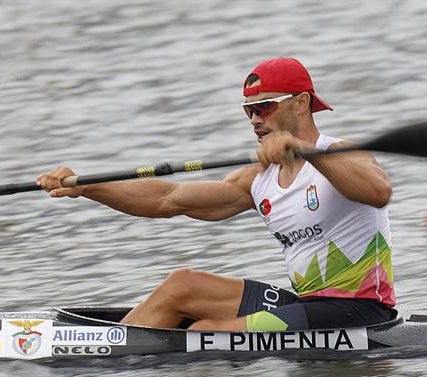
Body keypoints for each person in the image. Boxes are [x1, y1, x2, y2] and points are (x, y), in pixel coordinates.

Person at [36, 57, 396, 332]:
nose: (255, 119)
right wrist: (88, 187)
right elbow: (167, 198)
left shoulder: (342, 152)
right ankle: (109, 346)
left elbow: (378, 192)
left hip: (359, 312)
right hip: (307, 305)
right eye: (248, 111)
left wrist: (304, 150)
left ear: (301, 103)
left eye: (264, 107)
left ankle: (103, 355)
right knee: (183, 286)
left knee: (204, 333)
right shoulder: (258, 178)